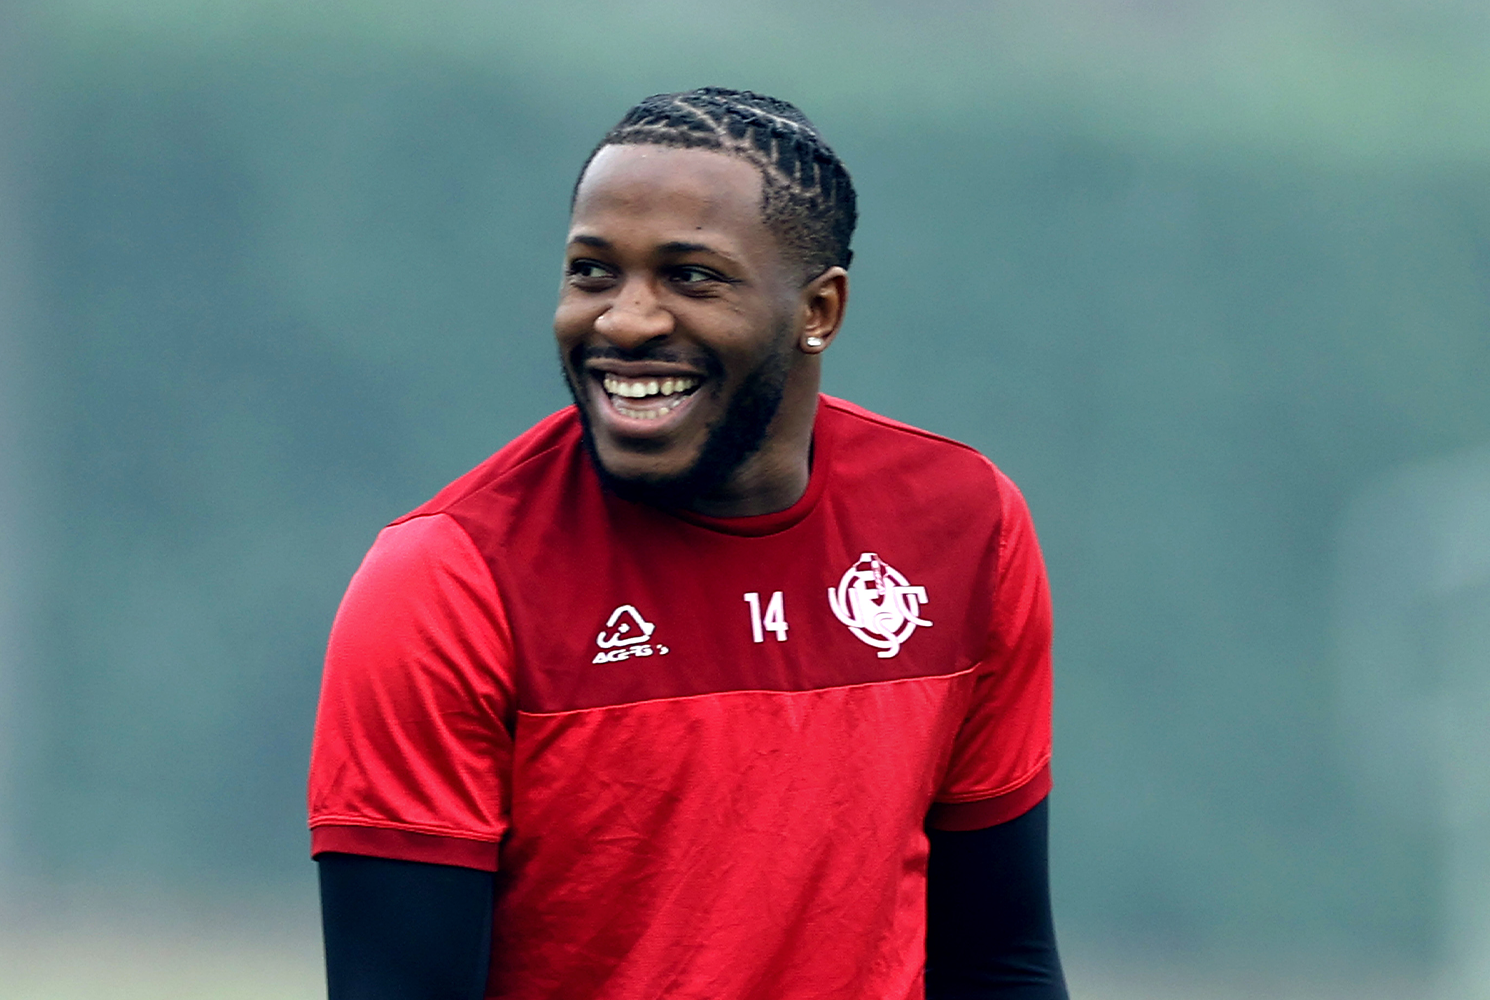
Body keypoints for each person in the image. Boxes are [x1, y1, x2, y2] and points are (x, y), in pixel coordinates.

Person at [307, 87, 1066, 1000]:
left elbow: (997, 961)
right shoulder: (447, 582)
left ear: (819, 311)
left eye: (691, 277)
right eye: (593, 272)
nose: (624, 321)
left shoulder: (965, 525)